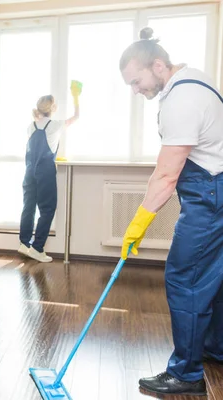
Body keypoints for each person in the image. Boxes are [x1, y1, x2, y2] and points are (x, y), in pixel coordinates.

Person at [119, 27, 223, 396]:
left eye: (137, 80)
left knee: (186, 279)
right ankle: (214, 348)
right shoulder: (195, 81)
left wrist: (138, 224)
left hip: (210, 195)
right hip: (216, 187)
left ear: (159, 65)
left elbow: (166, 175)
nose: (135, 90)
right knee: (214, 278)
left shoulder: (181, 100)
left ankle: (186, 374)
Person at [18, 84, 81, 262]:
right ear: (52, 108)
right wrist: (76, 97)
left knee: (28, 206)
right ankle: (38, 248)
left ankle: (24, 243)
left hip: (29, 172)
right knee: (47, 208)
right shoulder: (55, 126)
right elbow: (76, 117)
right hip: (44, 172)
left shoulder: (31, 126)